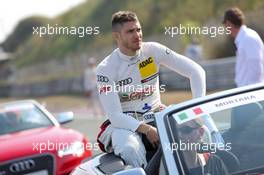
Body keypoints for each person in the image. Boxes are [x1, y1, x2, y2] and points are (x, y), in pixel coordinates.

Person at [96, 10, 206, 168]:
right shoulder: (105, 69)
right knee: (130, 149)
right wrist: (147, 129)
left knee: (202, 133)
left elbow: (196, 71)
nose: (137, 35)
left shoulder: (153, 50)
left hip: (158, 112)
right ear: (117, 36)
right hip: (124, 123)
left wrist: (197, 111)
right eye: (130, 31)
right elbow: (115, 116)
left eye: (139, 29)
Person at [223, 7, 264, 87]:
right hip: (248, 92)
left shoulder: (248, 38)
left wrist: (251, 92)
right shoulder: (245, 38)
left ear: (229, 24)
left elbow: (257, 70)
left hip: (250, 93)